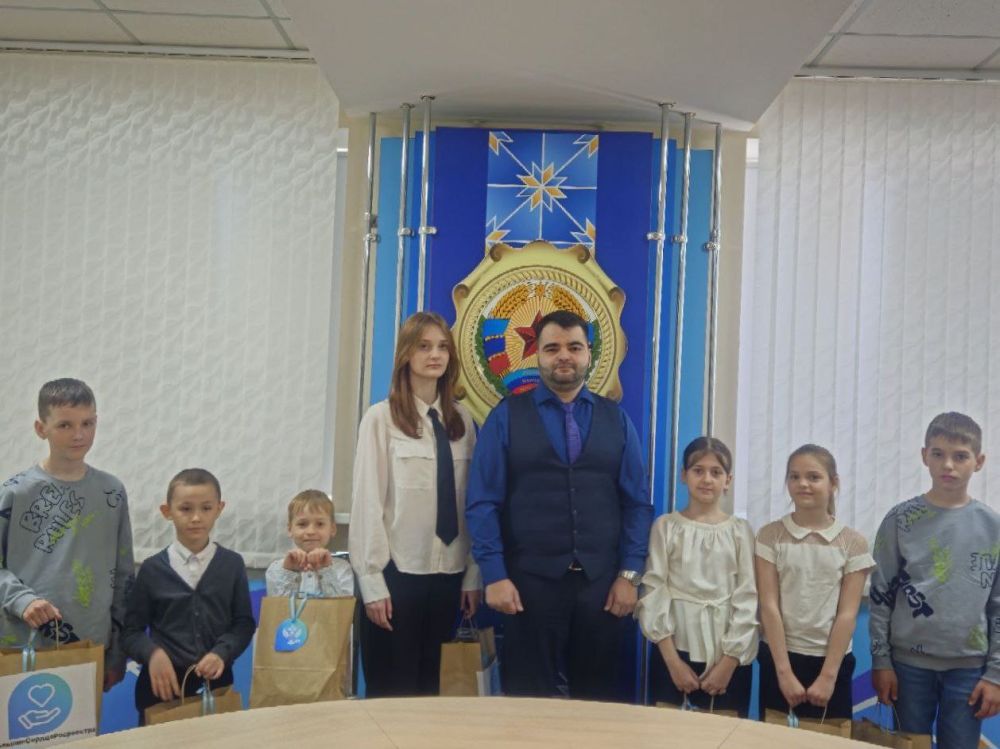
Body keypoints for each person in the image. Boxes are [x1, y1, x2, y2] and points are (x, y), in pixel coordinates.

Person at [466, 309, 653, 700]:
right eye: (552, 348)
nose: (563, 355)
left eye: (574, 347)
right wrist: (494, 574)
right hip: (526, 587)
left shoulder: (616, 420)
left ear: (589, 354)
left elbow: (637, 504)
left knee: (598, 705)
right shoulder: (505, 417)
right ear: (537, 354)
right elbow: (483, 502)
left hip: (603, 589)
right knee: (527, 705)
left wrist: (630, 576)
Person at [350, 311, 481, 697]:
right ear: (406, 353)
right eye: (424, 346)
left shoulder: (463, 421)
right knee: (393, 693)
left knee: (434, 695)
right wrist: (372, 581)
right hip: (397, 575)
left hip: (449, 575)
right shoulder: (381, 419)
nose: (434, 355)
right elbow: (367, 502)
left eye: (442, 347)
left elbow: (473, 502)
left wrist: (473, 574)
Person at [869, 412, 1000, 748]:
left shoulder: (992, 527)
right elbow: (881, 595)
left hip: (969, 668)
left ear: (979, 462)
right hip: (908, 666)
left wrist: (996, 675)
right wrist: (882, 661)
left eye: (961, 456)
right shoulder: (900, 520)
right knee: (910, 743)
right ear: (924, 455)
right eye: (938, 454)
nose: (948, 465)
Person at [0, 378, 134, 691]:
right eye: (65, 425)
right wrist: (21, 600)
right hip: (22, 644)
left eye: (87, 423)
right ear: (40, 428)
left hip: (89, 646)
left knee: (83, 725)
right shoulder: (15, 493)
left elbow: (124, 574)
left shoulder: (112, 492)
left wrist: (117, 650)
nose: (79, 435)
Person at [637, 436, 758, 715]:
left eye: (716, 472)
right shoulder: (666, 526)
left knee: (724, 732)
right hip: (674, 650)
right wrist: (673, 662)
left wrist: (729, 662)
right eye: (698, 470)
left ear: (728, 480)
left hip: (727, 654)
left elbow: (748, 596)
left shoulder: (740, 531)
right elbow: (654, 591)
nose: (706, 479)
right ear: (684, 475)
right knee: (670, 731)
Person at [122, 468, 254, 717]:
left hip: (215, 688)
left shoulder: (232, 564)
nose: (196, 518)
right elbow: (131, 632)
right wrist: (152, 654)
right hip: (161, 691)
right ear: (167, 511)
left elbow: (243, 623)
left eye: (206, 508)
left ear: (219, 509)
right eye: (185, 509)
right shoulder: (152, 569)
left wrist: (221, 653)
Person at [755, 444, 873, 721]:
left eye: (813, 477)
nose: (803, 484)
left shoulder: (853, 543)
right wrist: (783, 672)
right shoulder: (770, 535)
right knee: (772, 738)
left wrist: (828, 677)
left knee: (827, 737)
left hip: (831, 663)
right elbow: (769, 606)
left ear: (834, 483)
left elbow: (847, 614)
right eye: (794, 477)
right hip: (780, 657)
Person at [266, 489, 353, 597]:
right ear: (289, 529)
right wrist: (289, 572)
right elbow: (277, 606)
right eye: (302, 524)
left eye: (320, 524)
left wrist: (326, 571)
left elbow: (343, 607)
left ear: (332, 529)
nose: (311, 531)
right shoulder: (277, 569)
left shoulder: (342, 569)